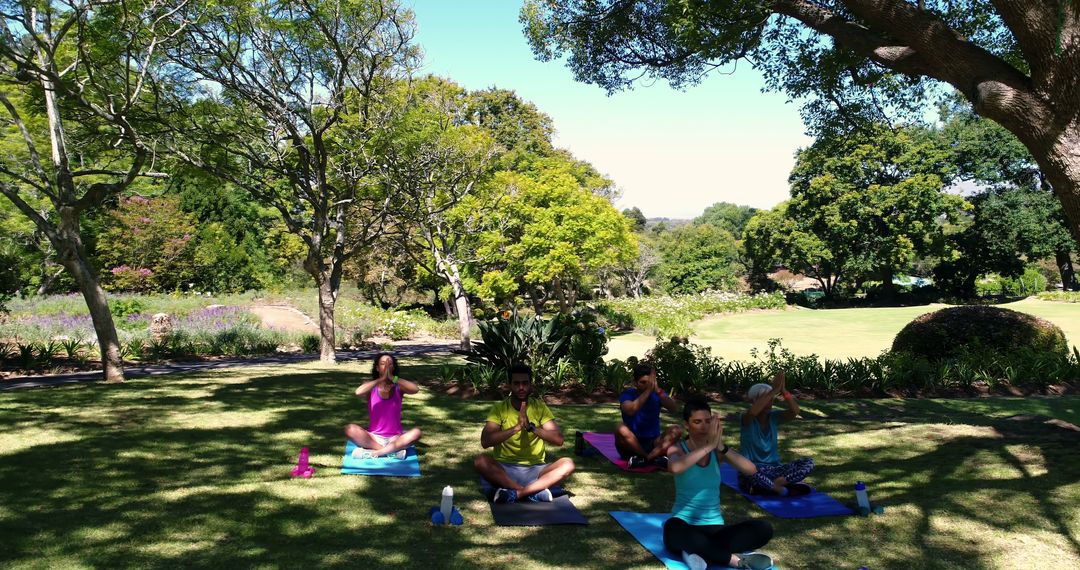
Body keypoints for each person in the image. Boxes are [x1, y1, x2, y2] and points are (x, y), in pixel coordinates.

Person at [664, 399, 775, 570]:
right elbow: (675, 467)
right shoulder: (677, 449)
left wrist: (720, 446)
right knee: (671, 528)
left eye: (708, 421)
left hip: (715, 529)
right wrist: (709, 447)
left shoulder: (718, 452)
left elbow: (751, 469)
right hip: (683, 524)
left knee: (764, 528)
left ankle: (697, 552)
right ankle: (737, 561)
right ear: (687, 424)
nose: (704, 427)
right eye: (697, 422)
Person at [474, 364, 575, 504]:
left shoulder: (539, 407)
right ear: (509, 385)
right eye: (516, 383)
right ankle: (529, 492)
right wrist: (515, 428)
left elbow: (558, 440)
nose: (521, 387)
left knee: (568, 464)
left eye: (525, 383)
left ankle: (517, 493)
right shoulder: (500, 408)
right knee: (481, 460)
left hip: (537, 470)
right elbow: (485, 441)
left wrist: (531, 428)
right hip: (505, 469)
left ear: (530, 385)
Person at [738, 370, 815, 495]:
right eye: (765, 399)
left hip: (774, 470)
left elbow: (795, 411)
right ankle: (781, 489)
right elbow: (752, 412)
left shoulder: (774, 418)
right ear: (753, 401)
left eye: (771, 400)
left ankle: (777, 485)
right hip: (753, 470)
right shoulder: (746, 419)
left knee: (809, 463)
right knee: (750, 476)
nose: (769, 403)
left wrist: (784, 391)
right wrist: (773, 390)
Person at [344, 352, 422, 459]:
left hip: (395, 437)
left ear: (393, 367)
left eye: (389, 364)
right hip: (374, 438)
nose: (386, 366)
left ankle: (376, 453)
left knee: (416, 433)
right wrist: (381, 379)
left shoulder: (398, 386)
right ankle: (389, 451)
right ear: (377, 368)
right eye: (383, 364)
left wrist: (392, 377)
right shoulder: (371, 386)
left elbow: (415, 389)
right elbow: (358, 392)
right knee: (350, 429)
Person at [615, 362, 682, 469]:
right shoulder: (628, 394)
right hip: (630, 446)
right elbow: (631, 410)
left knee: (676, 430)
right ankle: (649, 458)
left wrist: (658, 391)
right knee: (620, 428)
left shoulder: (658, 394)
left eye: (650, 382)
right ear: (635, 382)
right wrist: (648, 391)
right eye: (643, 382)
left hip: (654, 444)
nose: (647, 386)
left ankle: (647, 459)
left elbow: (673, 408)